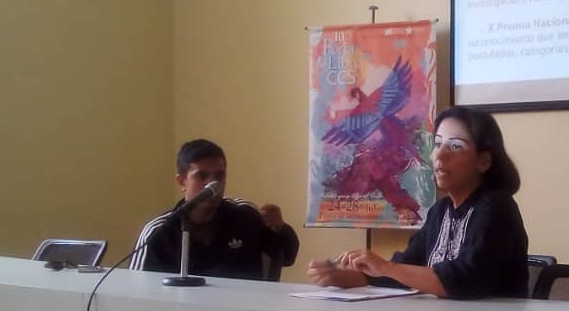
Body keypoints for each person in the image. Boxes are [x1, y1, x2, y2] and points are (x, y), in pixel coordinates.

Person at [307, 106, 528, 298]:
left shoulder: (497, 207)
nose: (439, 156)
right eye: (438, 144)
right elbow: (406, 270)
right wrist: (340, 277)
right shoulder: (440, 211)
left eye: (456, 146)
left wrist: (386, 267)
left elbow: (468, 280)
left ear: (483, 161)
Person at [130, 139, 299, 281]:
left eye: (219, 176)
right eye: (201, 176)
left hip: (242, 307)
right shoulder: (159, 231)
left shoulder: (245, 216)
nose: (213, 184)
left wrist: (280, 228)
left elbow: (286, 257)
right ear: (182, 182)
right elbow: (137, 290)